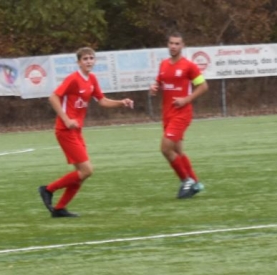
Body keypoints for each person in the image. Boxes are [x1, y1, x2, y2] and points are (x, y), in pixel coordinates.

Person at [38, 47, 134, 218]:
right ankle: (48, 189)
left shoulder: (92, 79)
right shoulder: (73, 79)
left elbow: (102, 101)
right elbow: (53, 97)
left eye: (91, 58)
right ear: (79, 62)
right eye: (85, 59)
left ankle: (59, 208)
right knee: (87, 170)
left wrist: (121, 102)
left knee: (81, 174)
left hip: (77, 132)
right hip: (65, 130)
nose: (89, 61)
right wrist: (66, 119)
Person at [149, 31, 209, 199]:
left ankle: (186, 180)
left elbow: (203, 86)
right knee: (178, 151)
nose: (174, 46)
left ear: (182, 46)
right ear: (167, 45)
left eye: (177, 43)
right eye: (171, 43)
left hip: (181, 114)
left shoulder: (188, 66)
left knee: (165, 149)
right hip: (167, 114)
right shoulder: (163, 64)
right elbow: (159, 82)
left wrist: (186, 99)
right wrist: (154, 87)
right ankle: (195, 183)